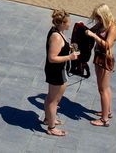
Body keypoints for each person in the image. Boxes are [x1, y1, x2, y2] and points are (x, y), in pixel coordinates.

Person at [42, 9, 80, 137]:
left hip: (60, 70)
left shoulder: (59, 31)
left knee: (55, 98)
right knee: (52, 100)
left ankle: (49, 118)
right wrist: (70, 57)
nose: (70, 24)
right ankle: (51, 127)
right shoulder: (56, 37)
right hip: (56, 71)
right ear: (62, 23)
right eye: (68, 22)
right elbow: (52, 58)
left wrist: (69, 48)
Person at [87, 4, 116, 128]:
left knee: (102, 89)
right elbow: (91, 30)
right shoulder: (102, 24)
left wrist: (94, 36)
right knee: (105, 87)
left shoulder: (112, 28)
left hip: (105, 59)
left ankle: (104, 119)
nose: (97, 20)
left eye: (99, 17)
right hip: (98, 56)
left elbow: (107, 45)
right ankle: (107, 111)